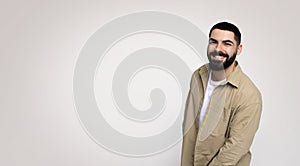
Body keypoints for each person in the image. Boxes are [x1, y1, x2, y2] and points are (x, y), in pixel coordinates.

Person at [180, 22, 262, 166]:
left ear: (239, 49)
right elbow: (190, 132)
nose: (218, 49)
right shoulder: (198, 76)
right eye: (214, 42)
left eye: (227, 44)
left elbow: (235, 148)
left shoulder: (249, 95)